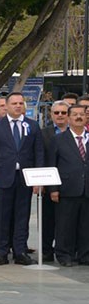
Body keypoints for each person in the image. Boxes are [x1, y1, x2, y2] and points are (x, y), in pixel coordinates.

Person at [0, 92, 44, 266]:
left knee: (22, 216)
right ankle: (2, 252)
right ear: (7, 106)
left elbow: (38, 153)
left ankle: (20, 251)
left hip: (25, 178)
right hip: (3, 177)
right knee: (2, 217)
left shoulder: (32, 126)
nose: (18, 106)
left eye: (21, 103)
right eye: (14, 103)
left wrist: (38, 179)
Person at [47, 105, 89, 267]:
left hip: (86, 189)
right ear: (69, 118)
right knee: (65, 225)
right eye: (75, 114)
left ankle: (85, 255)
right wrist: (53, 189)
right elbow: (52, 164)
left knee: (85, 225)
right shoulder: (58, 139)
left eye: (82, 114)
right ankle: (64, 255)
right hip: (66, 189)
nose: (79, 117)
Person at [39, 101, 70, 262]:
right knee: (48, 220)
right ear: (51, 114)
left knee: (66, 221)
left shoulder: (76, 133)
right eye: (56, 113)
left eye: (63, 113)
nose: (59, 116)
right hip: (49, 184)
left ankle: (65, 250)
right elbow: (40, 157)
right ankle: (46, 250)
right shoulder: (44, 133)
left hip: (71, 184)